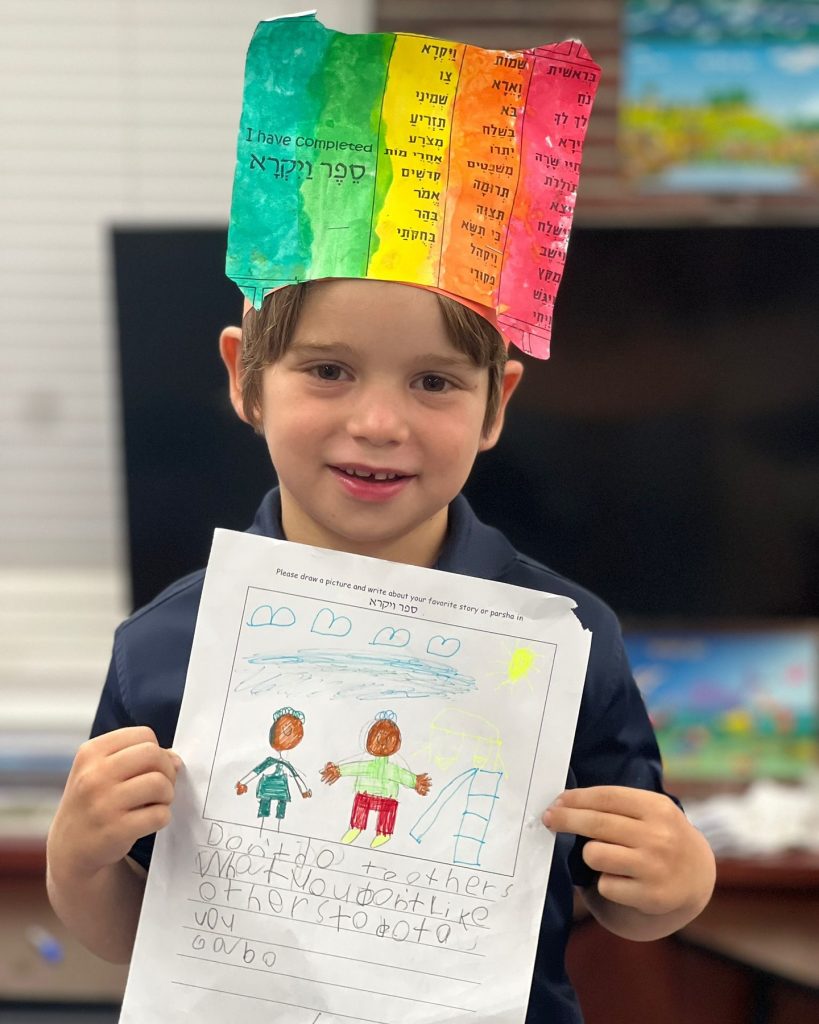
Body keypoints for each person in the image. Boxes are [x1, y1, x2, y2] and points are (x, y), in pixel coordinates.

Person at [46, 275, 716, 1018]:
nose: (378, 422)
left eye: (434, 381)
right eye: (329, 371)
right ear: (245, 377)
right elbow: (136, 934)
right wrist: (78, 863)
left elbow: (621, 892)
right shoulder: (164, 646)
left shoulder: (563, 637)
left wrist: (677, 885)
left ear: (495, 404)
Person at [320, 709, 431, 848]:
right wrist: (338, 770)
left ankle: (383, 833)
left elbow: (403, 776)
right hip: (366, 795)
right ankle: (356, 828)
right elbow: (355, 768)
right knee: (362, 808)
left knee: (387, 811)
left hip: (386, 797)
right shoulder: (371, 765)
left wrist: (416, 782)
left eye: (388, 740)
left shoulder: (392, 767)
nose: (383, 744)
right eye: (379, 739)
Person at [234, 705, 311, 826]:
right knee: (265, 808)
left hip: (280, 790)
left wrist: (304, 791)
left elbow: (296, 777)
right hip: (269, 789)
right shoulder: (271, 762)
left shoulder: (285, 764)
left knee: (281, 810)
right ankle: (264, 826)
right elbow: (256, 771)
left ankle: (276, 827)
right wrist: (243, 783)